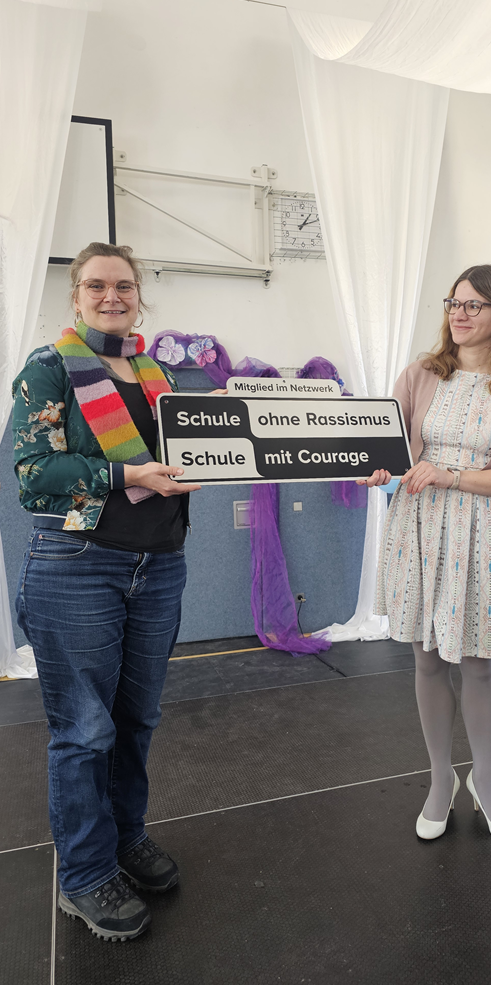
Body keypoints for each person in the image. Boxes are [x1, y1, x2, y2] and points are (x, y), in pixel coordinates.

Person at [12, 242, 202, 941]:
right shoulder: (50, 367)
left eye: (123, 285)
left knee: (137, 719)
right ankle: (85, 873)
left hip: (159, 564)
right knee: (85, 731)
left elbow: (186, 456)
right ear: (76, 295)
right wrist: (129, 475)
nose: (111, 296)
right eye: (96, 286)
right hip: (78, 562)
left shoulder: (158, 375)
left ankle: (126, 837)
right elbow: (33, 472)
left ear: (138, 294)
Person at [361, 265, 491, 845]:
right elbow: (389, 448)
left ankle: (484, 781)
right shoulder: (420, 374)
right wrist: (376, 468)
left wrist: (451, 475)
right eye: (453, 303)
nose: (459, 314)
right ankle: (441, 778)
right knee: (426, 659)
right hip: (417, 525)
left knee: (478, 662)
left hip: (480, 531)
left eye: (474, 305)